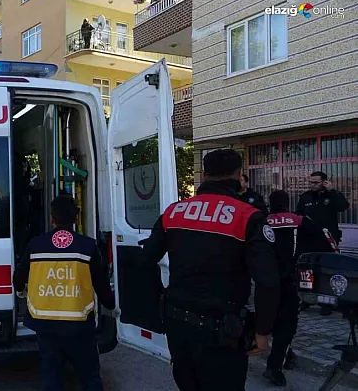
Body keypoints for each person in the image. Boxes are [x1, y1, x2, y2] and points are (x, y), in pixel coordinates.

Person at [139, 149, 280, 391]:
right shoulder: (249, 217)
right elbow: (268, 281)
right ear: (238, 175)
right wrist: (263, 331)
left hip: (178, 323)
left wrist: (159, 301)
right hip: (223, 332)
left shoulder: (173, 212)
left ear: (204, 175)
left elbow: (143, 262)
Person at [13, 195, 116, 391]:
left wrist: (22, 292)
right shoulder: (87, 246)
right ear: (76, 218)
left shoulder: (36, 245)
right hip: (79, 326)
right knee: (90, 378)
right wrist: (111, 304)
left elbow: (18, 278)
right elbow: (101, 284)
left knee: (51, 378)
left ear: (52, 219)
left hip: (46, 325)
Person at [263, 190, 340, 386]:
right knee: (287, 323)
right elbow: (326, 241)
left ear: (270, 203)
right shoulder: (299, 220)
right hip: (291, 279)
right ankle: (275, 366)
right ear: (288, 203)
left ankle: (284, 354)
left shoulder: (262, 221)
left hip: (265, 280)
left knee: (269, 317)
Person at [295, 171, 349, 244]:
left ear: (325, 182)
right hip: (309, 237)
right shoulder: (306, 196)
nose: (313, 185)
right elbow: (299, 213)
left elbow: (342, 207)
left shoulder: (332, 195)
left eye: (316, 183)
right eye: (311, 182)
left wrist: (331, 191)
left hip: (328, 236)